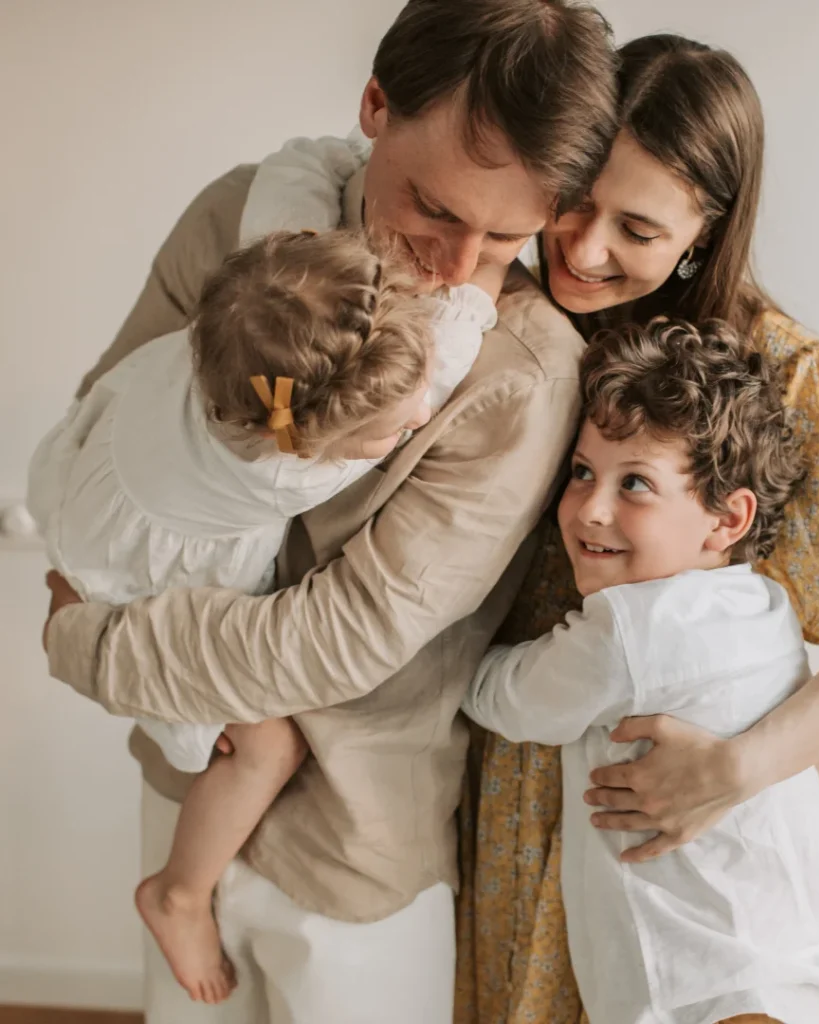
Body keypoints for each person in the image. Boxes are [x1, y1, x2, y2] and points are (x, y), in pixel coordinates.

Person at [38, 2, 619, 1022]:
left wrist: (92, 644)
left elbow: (347, 636)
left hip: (356, 850)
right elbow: (109, 419)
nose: (455, 265)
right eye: (432, 210)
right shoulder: (234, 219)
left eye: (507, 235)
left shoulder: (523, 371)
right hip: (187, 791)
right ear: (373, 106)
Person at [456, 34, 819, 1024]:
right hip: (509, 807)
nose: (582, 249)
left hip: (675, 833)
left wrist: (730, 771)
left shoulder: (790, 381)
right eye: (574, 202)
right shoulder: (505, 324)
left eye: (634, 225)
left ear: (704, 232)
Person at [28, 226, 504, 1004]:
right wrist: (485, 271)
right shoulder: (280, 472)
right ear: (309, 445)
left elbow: (293, 190)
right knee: (264, 746)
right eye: (392, 432)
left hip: (91, 495)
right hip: (130, 577)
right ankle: (179, 893)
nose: (418, 419)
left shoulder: (219, 346)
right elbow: (443, 367)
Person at [462, 317, 819, 1024]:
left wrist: (456, 645)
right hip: (795, 966)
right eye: (582, 472)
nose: (592, 508)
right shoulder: (764, 605)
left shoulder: (632, 630)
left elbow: (507, 698)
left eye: (635, 483)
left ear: (724, 519)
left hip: (697, 987)